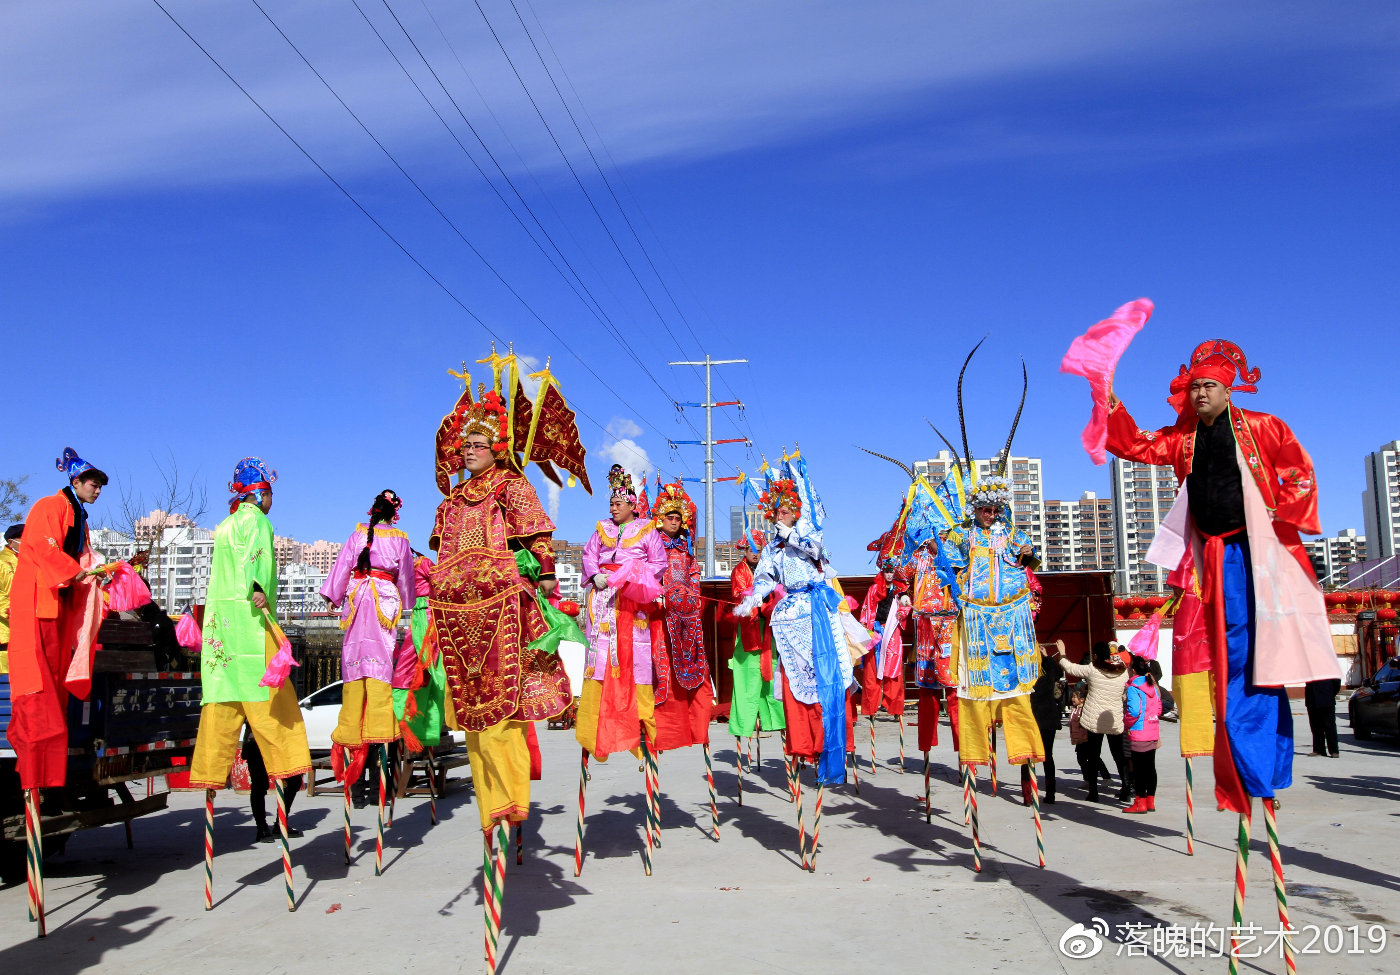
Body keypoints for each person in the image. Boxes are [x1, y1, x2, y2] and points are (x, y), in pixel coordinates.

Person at [1105, 338, 1339, 814]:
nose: (1200, 395)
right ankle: (1244, 763)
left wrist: (1277, 512)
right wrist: (1111, 402)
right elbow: (1134, 445)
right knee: (1228, 656)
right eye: (1194, 388)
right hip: (1211, 556)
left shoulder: (1262, 427)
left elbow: (1300, 472)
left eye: (1209, 386)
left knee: (1261, 656)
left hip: (1257, 550)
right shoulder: (1184, 439)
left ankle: (1261, 766)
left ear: (1228, 390)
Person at [429, 378, 571, 830]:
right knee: (472, 714)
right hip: (457, 616)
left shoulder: (510, 485)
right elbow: (442, 555)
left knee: (505, 708)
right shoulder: (450, 502)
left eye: (477, 444)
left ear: (496, 448)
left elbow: (538, 536)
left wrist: (545, 573)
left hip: (504, 607)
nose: (467, 451)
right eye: (464, 445)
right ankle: (491, 808)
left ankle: (511, 802)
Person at [189, 457, 311, 835]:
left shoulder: (223, 525)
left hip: (221, 625)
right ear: (260, 494)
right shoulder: (257, 521)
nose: (271, 502)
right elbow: (260, 559)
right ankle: (287, 764)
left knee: (221, 695)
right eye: (270, 494)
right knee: (270, 698)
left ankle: (210, 768)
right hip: (249, 620)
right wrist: (260, 589)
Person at [7, 449, 109, 790]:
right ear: (76, 481)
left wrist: (99, 573)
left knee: (53, 690)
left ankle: (48, 777)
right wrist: (78, 572)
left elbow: (82, 557)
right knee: (38, 688)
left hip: (58, 604)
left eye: (99, 486)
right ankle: (35, 775)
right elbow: (41, 548)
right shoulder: (49, 506)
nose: (97, 490)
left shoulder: (77, 514)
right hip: (38, 602)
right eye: (93, 484)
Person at [321, 490, 415, 791]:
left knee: (354, 664)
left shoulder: (358, 534)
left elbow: (342, 566)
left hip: (359, 597)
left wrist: (332, 596)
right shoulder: (400, 538)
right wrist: (409, 601)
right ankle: (379, 732)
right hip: (383, 600)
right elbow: (406, 578)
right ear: (395, 512)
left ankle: (351, 734)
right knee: (380, 667)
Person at [576, 464, 667, 762]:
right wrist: (595, 574)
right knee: (601, 657)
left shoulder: (648, 530)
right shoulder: (601, 529)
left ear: (631, 505)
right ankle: (596, 725)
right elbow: (589, 555)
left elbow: (659, 564)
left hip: (632, 599)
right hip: (603, 598)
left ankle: (638, 724)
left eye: (618, 503)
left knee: (633, 657)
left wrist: (635, 574)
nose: (613, 508)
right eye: (611, 504)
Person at [651, 480, 714, 753]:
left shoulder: (685, 549)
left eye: (678, 518)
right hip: (662, 614)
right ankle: (665, 730)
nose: (674, 522)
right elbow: (649, 573)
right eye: (670, 517)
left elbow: (694, 573)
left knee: (695, 665)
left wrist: (693, 593)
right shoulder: (653, 546)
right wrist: (658, 591)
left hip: (687, 615)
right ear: (660, 519)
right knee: (662, 665)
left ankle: (695, 726)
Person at [1048, 641, 1131, 803]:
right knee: (1119, 756)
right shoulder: (1123, 672)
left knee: (1093, 756)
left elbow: (1070, 667)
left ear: (1096, 655)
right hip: (1114, 718)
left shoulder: (1093, 670)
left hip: (1094, 718)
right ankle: (1126, 790)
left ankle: (1093, 791)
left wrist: (1063, 653)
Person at [728, 527, 784, 741]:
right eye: (750, 549)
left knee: (772, 672)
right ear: (744, 550)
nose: (754, 553)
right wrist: (758, 601)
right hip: (749, 629)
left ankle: (776, 720)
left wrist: (771, 602)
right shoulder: (739, 571)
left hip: (768, 628)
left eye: (758, 549)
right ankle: (745, 724)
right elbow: (739, 596)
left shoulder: (768, 569)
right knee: (748, 679)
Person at [1021, 650, 1063, 804]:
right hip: (1047, 717)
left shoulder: (1025, 675)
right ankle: (1050, 793)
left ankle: (1027, 795)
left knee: (1028, 756)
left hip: (1031, 717)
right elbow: (1058, 672)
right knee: (1047, 756)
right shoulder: (1048, 673)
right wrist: (1047, 657)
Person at [1122, 655, 1163, 813]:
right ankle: (1150, 800)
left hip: (1139, 731)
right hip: (1152, 730)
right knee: (1150, 767)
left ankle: (1140, 802)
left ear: (1132, 671)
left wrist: (1127, 722)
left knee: (1138, 769)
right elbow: (1159, 709)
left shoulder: (1133, 688)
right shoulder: (1152, 685)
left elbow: (1133, 711)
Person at [1304, 677, 1341, 758]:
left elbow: (1336, 682)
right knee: (1315, 726)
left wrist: (1330, 693)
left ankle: (1334, 750)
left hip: (1326, 698)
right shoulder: (1308, 666)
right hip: (1312, 699)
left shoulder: (1328, 666)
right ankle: (1318, 749)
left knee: (1329, 726)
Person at [0, 523, 20, 654]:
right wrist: (12, 611)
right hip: (5, 629)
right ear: (11, 542)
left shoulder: (29, 561)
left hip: (25, 628)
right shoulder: (2, 562)